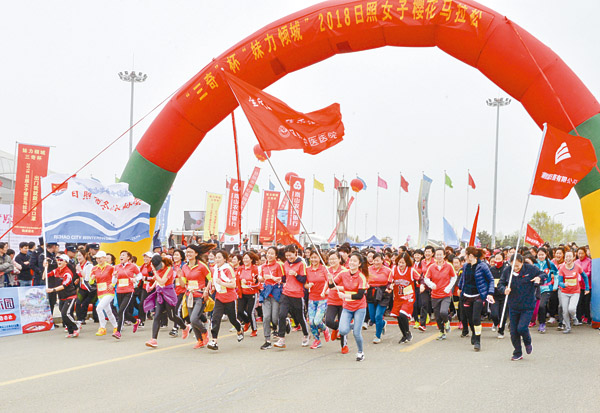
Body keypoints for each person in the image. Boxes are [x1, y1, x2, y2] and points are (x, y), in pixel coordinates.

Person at [497, 254, 545, 361]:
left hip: (527, 305)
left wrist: (539, 278)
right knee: (513, 331)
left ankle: (528, 341)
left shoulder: (530, 269)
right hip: (513, 305)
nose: (515, 268)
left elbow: (543, 274)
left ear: (522, 262)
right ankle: (517, 352)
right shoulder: (507, 271)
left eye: (518, 265)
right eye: (513, 265)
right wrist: (504, 290)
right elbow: (500, 284)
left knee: (522, 328)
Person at [328, 252, 369, 361]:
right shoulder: (343, 273)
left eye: (355, 261)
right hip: (347, 306)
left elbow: (360, 295)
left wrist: (345, 295)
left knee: (356, 332)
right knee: (342, 331)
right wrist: (330, 279)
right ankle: (350, 325)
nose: (352, 263)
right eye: (351, 260)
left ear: (359, 264)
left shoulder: (361, 277)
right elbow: (332, 285)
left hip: (359, 307)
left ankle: (360, 352)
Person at [144, 255, 189, 348]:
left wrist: (155, 271)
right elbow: (157, 281)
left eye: (159, 265)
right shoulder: (157, 269)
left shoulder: (169, 269)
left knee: (172, 316)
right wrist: (152, 286)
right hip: (160, 294)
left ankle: (185, 327)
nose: (158, 268)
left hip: (169, 294)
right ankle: (154, 339)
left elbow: (162, 281)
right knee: (157, 315)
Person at [458, 247, 495, 351]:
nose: (464, 257)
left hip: (478, 295)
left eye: (466, 255)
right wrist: (460, 288)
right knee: (469, 318)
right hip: (467, 296)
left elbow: (491, 279)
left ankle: (478, 341)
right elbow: (463, 279)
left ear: (471, 256)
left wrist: (490, 293)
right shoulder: (465, 266)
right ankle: (474, 332)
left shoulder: (483, 266)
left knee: (475, 318)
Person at [206, 250, 243, 351]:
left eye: (219, 257)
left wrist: (221, 283)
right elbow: (213, 281)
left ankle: (239, 330)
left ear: (225, 259)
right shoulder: (214, 269)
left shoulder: (228, 269)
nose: (217, 259)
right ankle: (214, 341)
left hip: (230, 298)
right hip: (219, 297)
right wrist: (213, 287)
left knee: (233, 319)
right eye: (215, 257)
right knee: (215, 318)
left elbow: (233, 285)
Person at [274, 245, 310, 349]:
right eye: (287, 256)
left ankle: (306, 334)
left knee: (299, 316)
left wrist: (295, 274)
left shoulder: (301, 264)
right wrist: (279, 279)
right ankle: (281, 339)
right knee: (281, 315)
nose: (289, 258)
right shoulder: (285, 264)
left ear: (296, 253)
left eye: (290, 255)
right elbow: (285, 278)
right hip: (286, 293)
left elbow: (303, 279)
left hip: (297, 294)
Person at [421, 248, 457, 340]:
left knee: (443, 312)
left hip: (445, 294)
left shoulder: (449, 266)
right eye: (437, 255)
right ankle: (441, 332)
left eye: (441, 254)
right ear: (435, 256)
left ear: (444, 255)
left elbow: (454, 277)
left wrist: (448, 287)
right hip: (435, 295)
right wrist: (431, 284)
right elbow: (426, 278)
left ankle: (447, 321)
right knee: (437, 316)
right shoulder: (432, 267)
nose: (439, 256)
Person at [182, 244, 213, 349]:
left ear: (196, 254)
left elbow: (210, 279)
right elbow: (183, 283)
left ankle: (204, 332)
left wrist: (206, 291)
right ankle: (199, 341)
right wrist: (180, 278)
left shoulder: (202, 266)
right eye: (187, 252)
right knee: (191, 319)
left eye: (190, 252)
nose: (188, 254)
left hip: (200, 295)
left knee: (194, 318)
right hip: (189, 295)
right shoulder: (184, 267)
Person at [44, 254, 79, 337]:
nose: (59, 262)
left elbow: (64, 286)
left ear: (66, 262)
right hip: (61, 297)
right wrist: (45, 267)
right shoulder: (56, 270)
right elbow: (44, 277)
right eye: (58, 260)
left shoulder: (68, 273)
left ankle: (76, 326)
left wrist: (53, 290)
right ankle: (71, 332)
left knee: (65, 313)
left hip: (70, 296)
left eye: (61, 260)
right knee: (64, 313)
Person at [258, 246, 284, 350]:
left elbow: (282, 279)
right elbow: (260, 278)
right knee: (266, 316)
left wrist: (272, 278)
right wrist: (261, 278)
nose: (269, 255)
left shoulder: (278, 266)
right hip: (266, 293)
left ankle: (284, 323)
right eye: (268, 253)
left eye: (272, 253)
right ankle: (267, 340)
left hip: (276, 293)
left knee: (274, 318)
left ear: (276, 255)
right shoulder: (263, 266)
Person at [557, 250, 589, 334]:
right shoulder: (562, 268)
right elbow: (559, 281)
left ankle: (574, 317)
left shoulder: (577, 267)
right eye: (566, 256)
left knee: (571, 308)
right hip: (564, 292)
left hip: (575, 292)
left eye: (570, 256)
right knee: (565, 311)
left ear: (574, 258)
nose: (568, 258)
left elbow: (585, 277)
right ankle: (567, 327)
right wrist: (564, 284)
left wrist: (587, 288)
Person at [390, 252, 419, 344]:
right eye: (399, 262)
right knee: (399, 317)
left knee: (403, 314)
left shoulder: (411, 270)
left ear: (407, 262)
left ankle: (408, 332)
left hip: (408, 297)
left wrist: (422, 285)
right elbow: (389, 281)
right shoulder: (394, 269)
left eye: (403, 263)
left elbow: (420, 278)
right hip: (398, 298)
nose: (401, 264)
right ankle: (404, 335)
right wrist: (389, 286)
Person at [112, 250, 141, 339]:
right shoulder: (117, 267)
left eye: (123, 255)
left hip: (129, 291)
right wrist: (115, 276)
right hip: (119, 291)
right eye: (120, 255)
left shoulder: (132, 266)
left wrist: (135, 279)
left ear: (128, 257)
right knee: (125, 312)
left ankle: (118, 332)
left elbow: (140, 275)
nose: (121, 257)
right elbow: (114, 282)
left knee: (121, 311)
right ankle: (136, 321)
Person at [305, 249, 330, 349]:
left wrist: (325, 291)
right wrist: (308, 285)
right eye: (312, 257)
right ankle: (317, 340)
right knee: (311, 322)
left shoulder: (324, 269)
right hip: (312, 298)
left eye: (316, 257)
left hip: (322, 298)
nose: (314, 259)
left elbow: (328, 281)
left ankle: (325, 329)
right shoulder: (307, 269)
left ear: (320, 258)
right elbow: (305, 284)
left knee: (317, 321)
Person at [324, 251, 348, 353]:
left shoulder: (344, 271)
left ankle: (344, 346)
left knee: (343, 324)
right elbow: (327, 283)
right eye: (330, 259)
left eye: (334, 258)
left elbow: (347, 286)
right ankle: (336, 328)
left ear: (339, 259)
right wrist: (324, 290)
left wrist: (336, 287)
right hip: (332, 301)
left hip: (343, 301)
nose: (332, 261)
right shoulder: (327, 270)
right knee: (328, 321)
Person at [367, 253, 393, 344]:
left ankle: (377, 336)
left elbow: (391, 282)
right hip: (371, 292)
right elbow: (364, 280)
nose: (376, 262)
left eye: (378, 260)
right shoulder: (368, 269)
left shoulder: (388, 270)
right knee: (373, 317)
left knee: (378, 315)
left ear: (382, 260)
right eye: (374, 260)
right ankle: (382, 323)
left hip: (383, 293)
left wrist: (389, 288)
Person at [237, 251, 260, 338]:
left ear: (251, 259)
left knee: (250, 312)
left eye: (247, 258)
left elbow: (257, 282)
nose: (245, 260)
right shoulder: (240, 268)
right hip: (242, 292)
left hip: (252, 293)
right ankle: (247, 322)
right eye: (244, 258)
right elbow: (237, 280)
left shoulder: (254, 268)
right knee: (240, 311)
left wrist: (248, 282)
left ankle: (254, 329)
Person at [534, 248, 558, 333]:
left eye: (542, 255)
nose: (541, 256)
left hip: (546, 288)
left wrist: (555, 285)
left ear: (546, 254)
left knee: (542, 305)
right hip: (536, 288)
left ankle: (542, 323)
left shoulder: (550, 263)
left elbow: (556, 273)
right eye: (539, 255)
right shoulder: (534, 263)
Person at [489, 252, 509, 339]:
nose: (497, 261)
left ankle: (501, 331)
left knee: (503, 316)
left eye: (499, 259)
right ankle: (495, 323)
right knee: (494, 314)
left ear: (503, 260)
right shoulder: (491, 269)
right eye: (496, 259)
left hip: (504, 295)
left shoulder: (507, 269)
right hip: (494, 295)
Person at [75, 250, 96, 325]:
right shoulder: (78, 265)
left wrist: (80, 270)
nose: (78, 257)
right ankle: (79, 319)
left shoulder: (89, 265)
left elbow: (87, 277)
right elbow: (79, 276)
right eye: (77, 256)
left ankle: (83, 318)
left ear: (85, 256)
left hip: (90, 289)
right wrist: (77, 279)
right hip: (82, 287)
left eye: (80, 255)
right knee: (78, 303)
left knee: (85, 303)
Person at [417, 246, 435, 331]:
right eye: (426, 252)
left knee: (435, 304)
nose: (427, 253)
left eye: (429, 252)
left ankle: (441, 322)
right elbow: (421, 274)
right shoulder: (422, 262)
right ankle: (423, 324)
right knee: (423, 304)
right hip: (424, 286)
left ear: (433, 253)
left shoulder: (435, 262)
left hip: (434, 285)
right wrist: (421, 283)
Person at [575, 247, 592, 325]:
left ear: (585, 253)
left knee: (586, 302)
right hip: (578, 286)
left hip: (587, 286)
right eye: (579, 253)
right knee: (578, 302)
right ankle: (578, 318)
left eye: (582, 253)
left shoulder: (589, 261)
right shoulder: (576, 262)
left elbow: (589, 272)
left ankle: (587, 317)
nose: (580, 255)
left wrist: (581, 275)